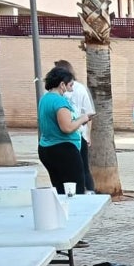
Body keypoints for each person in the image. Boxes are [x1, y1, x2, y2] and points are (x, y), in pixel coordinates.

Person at [37, 66, 90, 195]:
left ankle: (62, 213)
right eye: (70, 85)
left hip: (46, 148)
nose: (72, 88)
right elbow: (67, 127)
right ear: (62, 84)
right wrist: (83, 119)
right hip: (64, 150)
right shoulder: (60, 102)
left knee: (60, 189)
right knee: (74, 191)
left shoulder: (44, 99)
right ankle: (75, 214)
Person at [53, 60, 95, 193]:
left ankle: (86, 192)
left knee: (82, 168)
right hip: (69, 134)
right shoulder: (56, 92)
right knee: (78, 169)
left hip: (75, 134)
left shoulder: (78, 88)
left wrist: (87, 135)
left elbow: (88, 114)